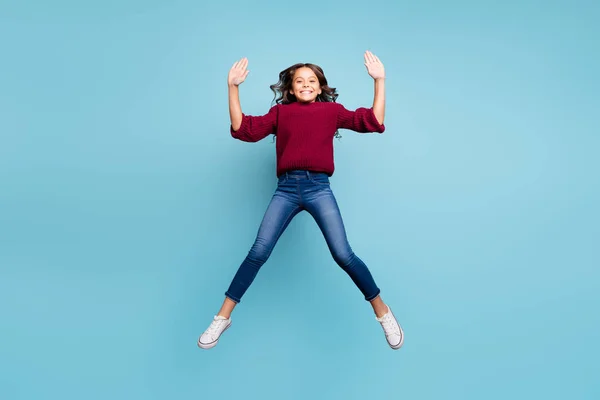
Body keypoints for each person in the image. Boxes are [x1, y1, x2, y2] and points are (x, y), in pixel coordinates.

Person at [198, 51, 403, 350]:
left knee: (343, 254)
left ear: (320, 87)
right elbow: (243, 129)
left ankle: (382, 312)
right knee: (258, 252)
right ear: (291, 89)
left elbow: (374, 120)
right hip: (286, 189)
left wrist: (380, 80)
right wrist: (233, 87)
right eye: (299, 81)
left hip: (319, 188)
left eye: (311, 80)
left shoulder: (332, 112)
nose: (305, 84)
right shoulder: (281, 114)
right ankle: (222, 318)